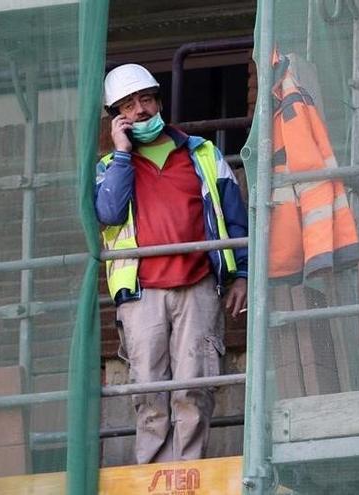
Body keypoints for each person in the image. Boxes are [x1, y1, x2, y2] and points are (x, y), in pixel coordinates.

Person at [94, 63, 248, 464]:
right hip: (142, 292)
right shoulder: (110, 168)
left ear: (159, 102)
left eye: (146, 99)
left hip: (199, 285)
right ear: (116, 119)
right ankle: (153, 476)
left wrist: (242, 274)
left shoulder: (202, 153)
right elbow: (109, 213)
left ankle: (188, 472)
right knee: (147, 386)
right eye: (127, 106)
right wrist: (124, 155)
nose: (140, 110)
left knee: (194, 384)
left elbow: (236, 217)